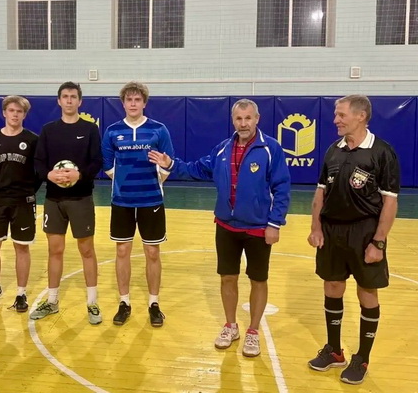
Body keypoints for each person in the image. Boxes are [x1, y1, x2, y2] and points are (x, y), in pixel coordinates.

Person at [149, 98, 291, 354]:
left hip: (259, 227)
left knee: (258, 279)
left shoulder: (271, 148)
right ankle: (230, 325)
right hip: (226, 226)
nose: (243, 123)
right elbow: (196, 169)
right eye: (239, 118)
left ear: (257, 119)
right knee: (228, 277)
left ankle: (253, 331)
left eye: (248, 118)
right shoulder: (223, 149)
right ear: (233, 120)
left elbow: (281, 187)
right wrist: (170, 164)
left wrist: (275, 223)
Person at [307, 95, 400, 385]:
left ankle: (362, 358)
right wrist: (316, 227)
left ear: (361, 116)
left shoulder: (382, 152)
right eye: (336, 114)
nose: (336, 119)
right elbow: (320, 192)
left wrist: (379, 242)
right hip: (332, 231)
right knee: (332, 286)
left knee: (367, 292)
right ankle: (335, 351)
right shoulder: (333, 150)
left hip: (365, 232)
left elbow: (390, 202)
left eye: (341, 115)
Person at [102, 82, 175, 328]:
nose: (133, 104)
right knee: (122, 251)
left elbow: (168, 162)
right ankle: (124, 302)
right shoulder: (112, 131)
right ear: (123, 103)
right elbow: (107, 164)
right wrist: (124, 181)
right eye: (129, 99)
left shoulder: (159, 129)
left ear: (144, 103)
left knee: (152, 252)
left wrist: (159, 174)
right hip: (122, 201)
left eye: (137, 99)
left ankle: (154, 303)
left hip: (151, 200)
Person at [31, 81, 103, 324]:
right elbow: (39, 162)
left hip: (81, 198)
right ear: (59, 101)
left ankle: (92, 303)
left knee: (86, 249)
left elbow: (97, 161)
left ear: (80, 101)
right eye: (65, 96)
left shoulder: (90, 129)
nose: (69, 100)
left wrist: (79, 175)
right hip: (54, 199)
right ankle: (52, 301)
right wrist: (49, 175)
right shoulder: (48, 130)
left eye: (73, 96)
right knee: (55, 249)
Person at [0, 95, 39, 312]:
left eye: (19, 111)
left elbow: (38, 171)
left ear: (24, 115)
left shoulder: (32, 139)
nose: (15, 114)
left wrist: (28, 192)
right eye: (11, 110)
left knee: (21, 247)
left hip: (23, 201)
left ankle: (21, 293)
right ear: (4, 112)